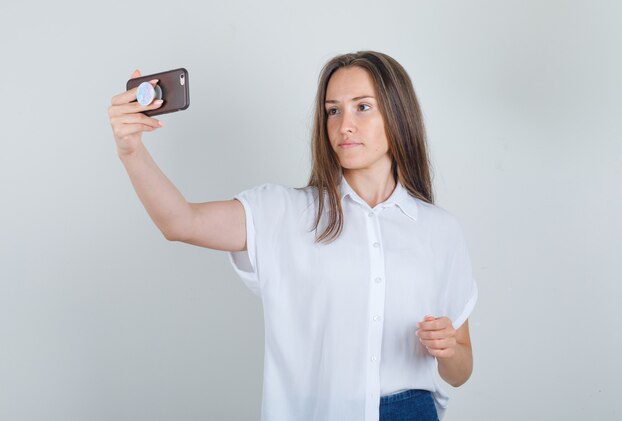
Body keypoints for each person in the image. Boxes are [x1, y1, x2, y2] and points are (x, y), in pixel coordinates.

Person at [108, 50, 478, 421]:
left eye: (362, 107)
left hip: (412, 411)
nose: (344, 125)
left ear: (398, 115)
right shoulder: (284, 212)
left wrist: (447, 348)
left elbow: (461, 371)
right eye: (333, 110)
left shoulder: (439, 230)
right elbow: (181, 222)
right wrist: (131, 151)